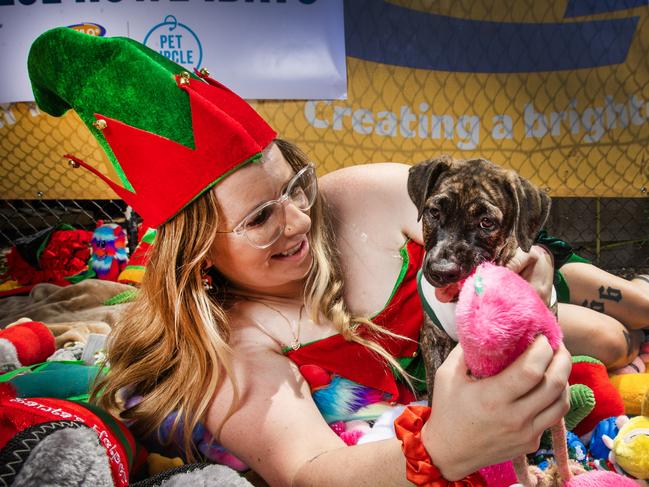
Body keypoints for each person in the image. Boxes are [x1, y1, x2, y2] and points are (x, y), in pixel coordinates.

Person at [28, 28, 572, 485]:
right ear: (197, 256)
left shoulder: (357, 198)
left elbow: (497, 232)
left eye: (294, 187)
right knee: (604, 335)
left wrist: (538, 272)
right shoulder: (234, 349)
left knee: (594, 305)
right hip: (449, 369)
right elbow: (311, 470)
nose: (298, 220)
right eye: (260, 218)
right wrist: (445, 447)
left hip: (484, 316)